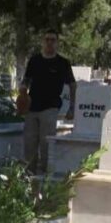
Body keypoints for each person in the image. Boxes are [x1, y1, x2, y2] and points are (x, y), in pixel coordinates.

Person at [20, 29, 76, 174]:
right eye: (47, 40)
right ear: (42, 42)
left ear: (57, 43)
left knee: (46, 144)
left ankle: (45, 175)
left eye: (53, 40)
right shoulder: (35, 60)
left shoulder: (63, 63)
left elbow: (72, 84)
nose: (49, 43)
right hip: (32, 107)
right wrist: (23, 89)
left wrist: (72, 107)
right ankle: (28, 175)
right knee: (29, 143)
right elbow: (27, 79)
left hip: (50, 108)